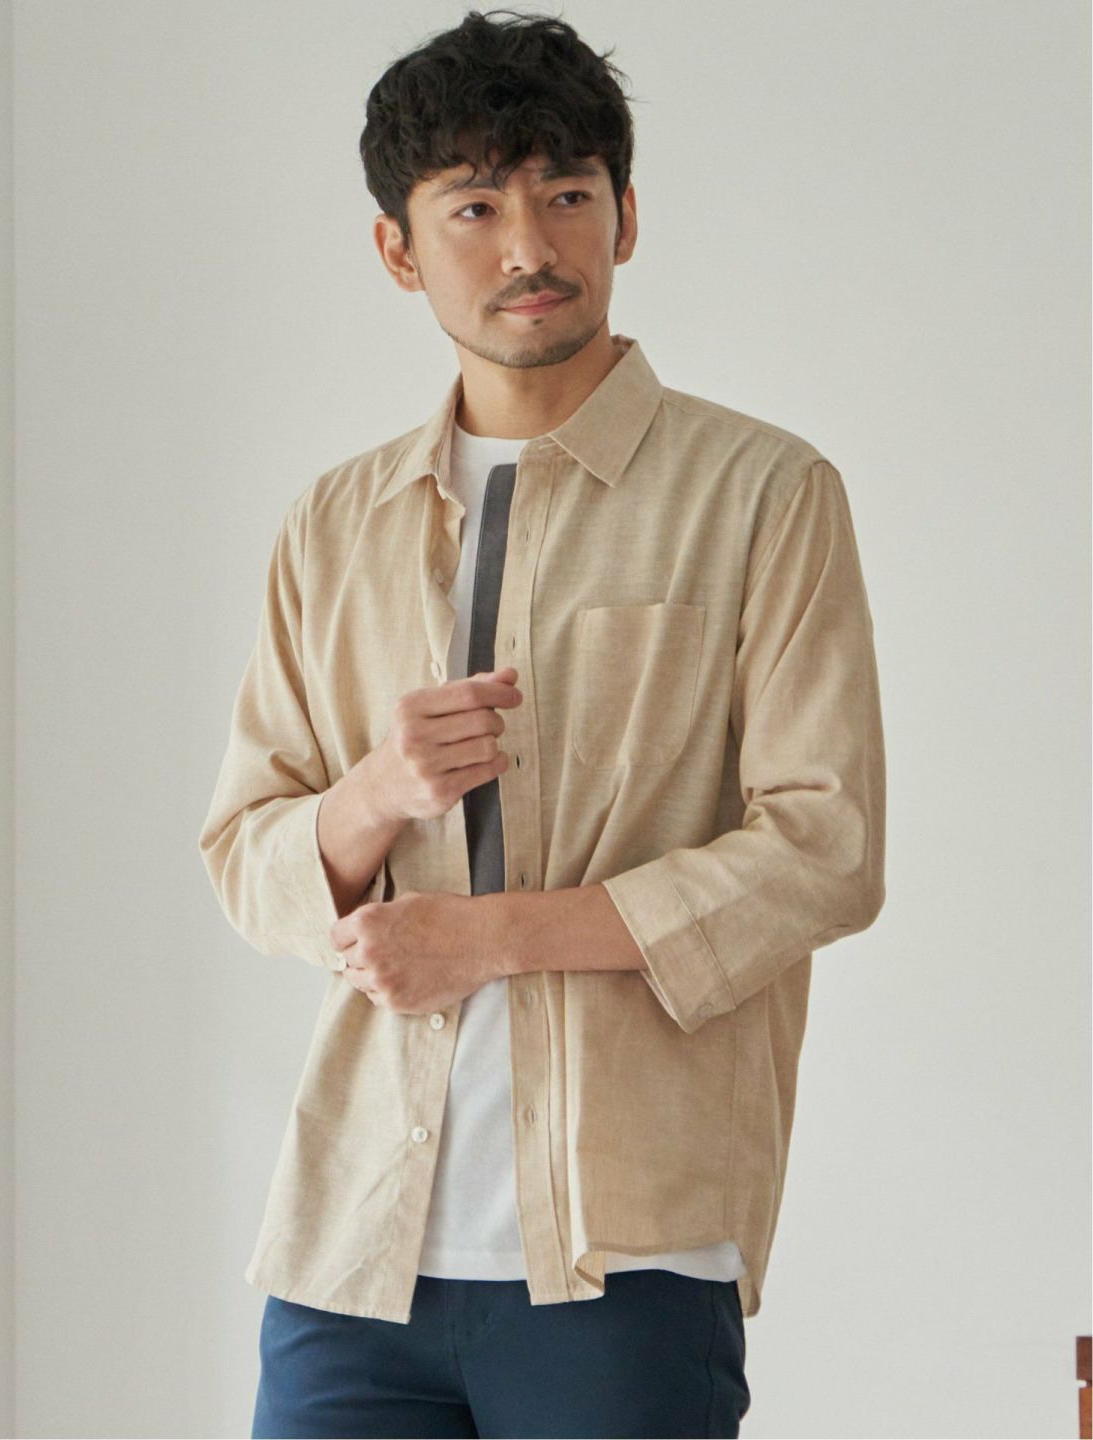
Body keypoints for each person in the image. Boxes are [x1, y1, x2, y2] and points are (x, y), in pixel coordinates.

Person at [198, 8, 887, 1438]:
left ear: (625, 217)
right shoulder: (332, 526)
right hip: (352, 1255)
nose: (530, 246)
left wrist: (491, 937)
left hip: (623, 1256)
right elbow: (246, 861)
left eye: (568, 194)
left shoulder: (763, 494)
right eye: (475, 206)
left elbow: (824, 852)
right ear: (398, 248)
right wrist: (373, 795)